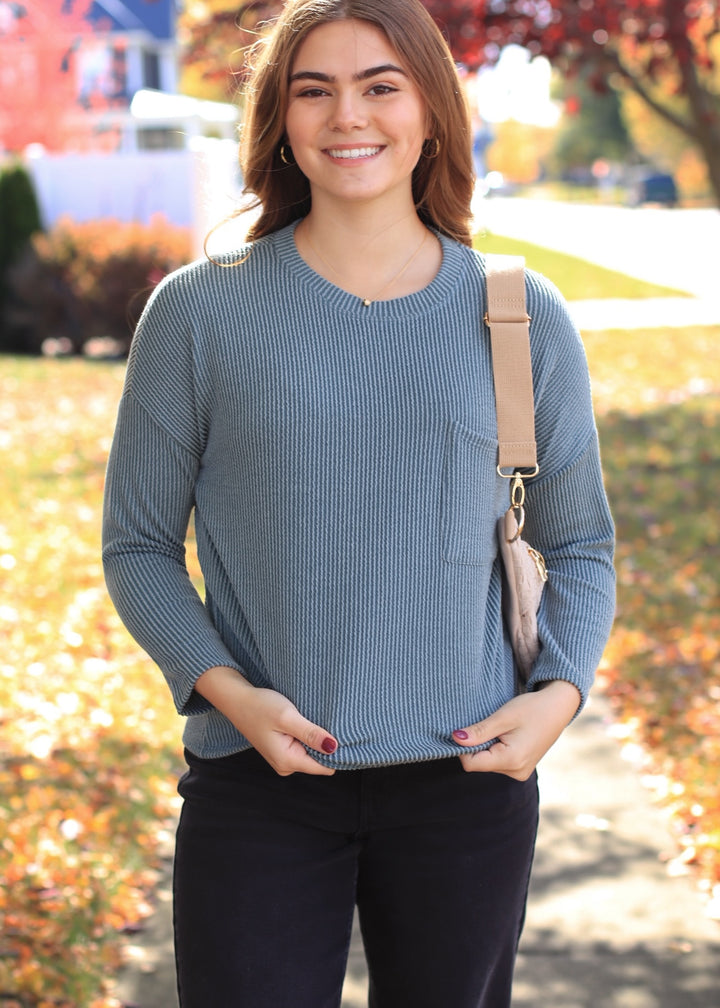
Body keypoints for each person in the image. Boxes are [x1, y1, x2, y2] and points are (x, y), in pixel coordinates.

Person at [102, 0, 615, 1004]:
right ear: (281, 122)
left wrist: (559, 693)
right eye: (315, 90)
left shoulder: (516, 314)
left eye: (381, 86)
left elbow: (581, 541)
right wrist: (229, 694)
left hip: (465, 786)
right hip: (258, 781)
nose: (350, 116)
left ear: (428, 112)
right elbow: (139, 546)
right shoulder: (199, 314)